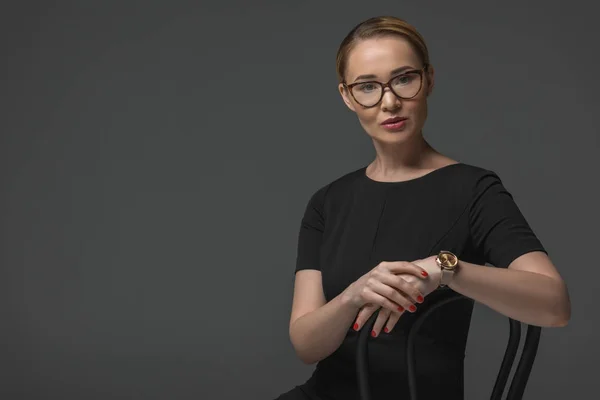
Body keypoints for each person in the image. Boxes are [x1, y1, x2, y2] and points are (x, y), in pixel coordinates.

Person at [274, 16, 571, 400]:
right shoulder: (327, 202)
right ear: (348, 97)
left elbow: (555, 305)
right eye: (368, 86)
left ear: (428, 79)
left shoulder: (473, 190)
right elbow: (306, 346)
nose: (390, 101)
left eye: (403, 79)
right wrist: (353, 295)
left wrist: (446, 268)